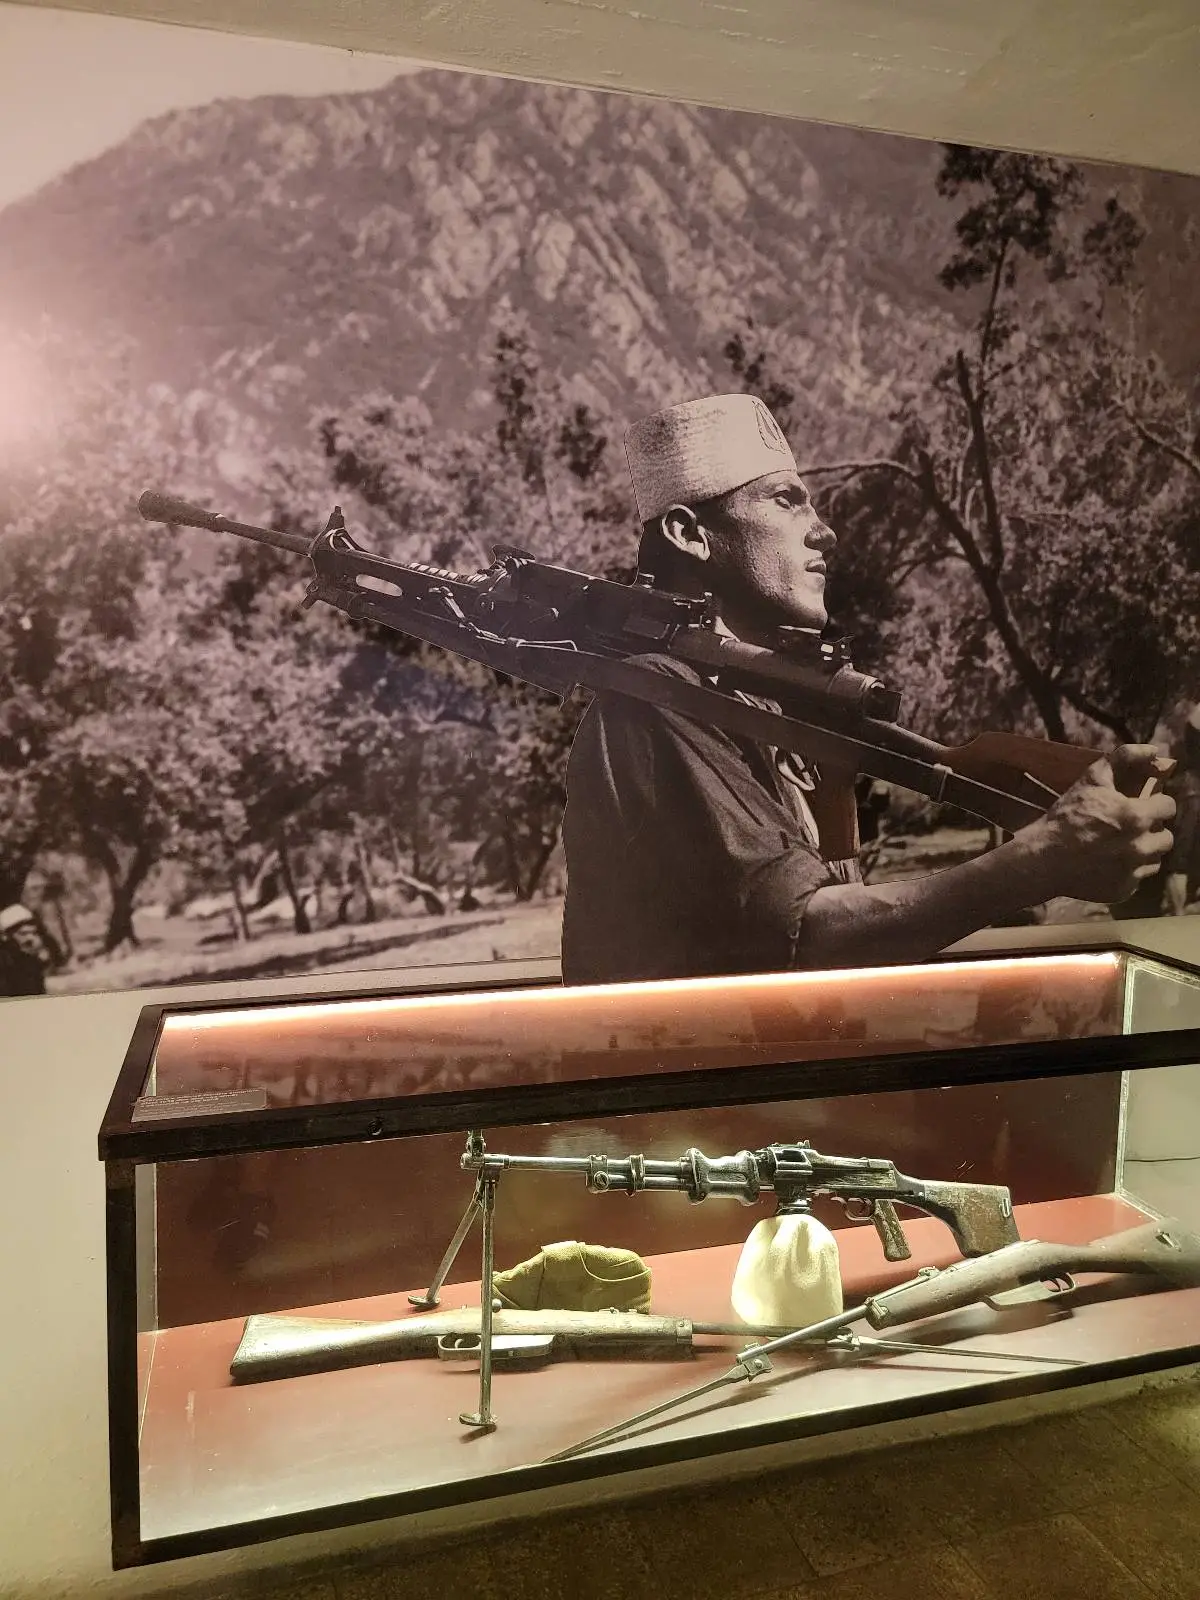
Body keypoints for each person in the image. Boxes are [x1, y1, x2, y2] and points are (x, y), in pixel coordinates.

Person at [559, 393, 1176, 985]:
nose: (823, 532)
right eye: (786, 501)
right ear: (691, 534)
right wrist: (1039, 863)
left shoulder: (757, 702)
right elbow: (807, 937)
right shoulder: (655, 697)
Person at [0, 903, 61, 997]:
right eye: (23, 933)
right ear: (5, 937)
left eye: (34, 933)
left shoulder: (31, 964)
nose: (30, 938)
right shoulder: (5, 967)